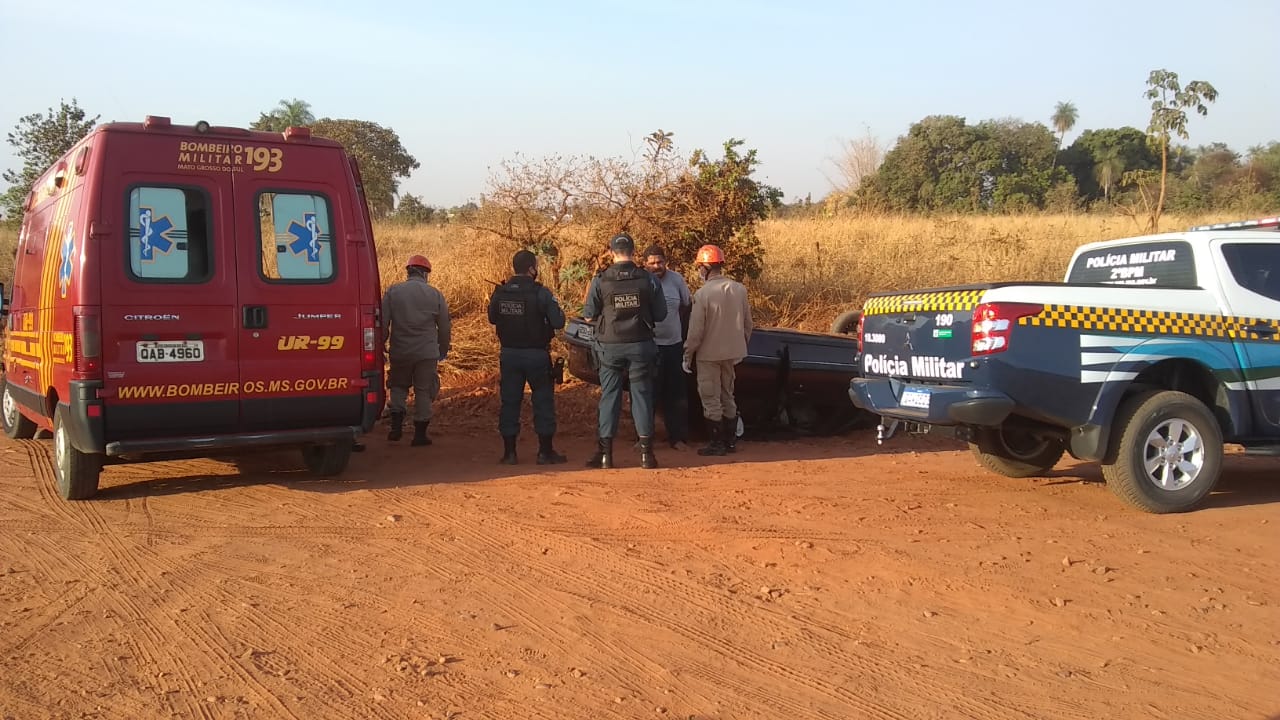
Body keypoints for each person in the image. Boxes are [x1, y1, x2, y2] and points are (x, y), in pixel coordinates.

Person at [581, 232, 668, 469]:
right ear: (634, 251)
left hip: (609, 347)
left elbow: (588, 315)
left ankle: (605, 456)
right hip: (641, 345)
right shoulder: (648, 279)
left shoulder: (600, 280)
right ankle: (646, 456)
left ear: (611, 252)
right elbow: (661, 314)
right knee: (641, 395)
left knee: (610, 396)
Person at [488, 250, 568, 465]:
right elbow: (559, 322)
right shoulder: (541, 292)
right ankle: (545, 452)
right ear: (532, 268)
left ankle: (510, 453)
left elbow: (492, 318)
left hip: (510, 354)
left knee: (510, 402)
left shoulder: (501, 291)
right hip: (536, 355)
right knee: (542, 402)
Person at [683, 244, 753, 457]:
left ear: (704, 267)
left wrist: (688, 355)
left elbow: (696, 331)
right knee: (727, 395)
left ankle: (716, 444)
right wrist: (740, 346)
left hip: (708, 355)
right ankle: (730, 441)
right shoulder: (739, 289)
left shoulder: (703, 294)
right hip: (732, 354)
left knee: (710, 397)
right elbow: (748, 324)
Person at [382, 254, 451, 446]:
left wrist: (381, 345)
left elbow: (383, 323)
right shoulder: (435, 294)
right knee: (423, 390)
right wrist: (442, 350)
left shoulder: (393, 292)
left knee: (397, 387)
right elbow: (444, 327)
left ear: (409, 271)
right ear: (425, 273)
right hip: (426, 353)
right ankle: (420, 435)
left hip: (400, 350)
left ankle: (396, 429)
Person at [642, 245, 693, 450]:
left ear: (666, 262)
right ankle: (645, 439)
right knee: (648, 394)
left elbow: (687, 304)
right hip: (649, 346)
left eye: (660, 262)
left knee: (676, 394)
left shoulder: (677, 280)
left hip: (673, 345)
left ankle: (677, 438)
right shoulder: (640, 281)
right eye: (652, 263)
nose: (657, 266)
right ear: (645, 264)